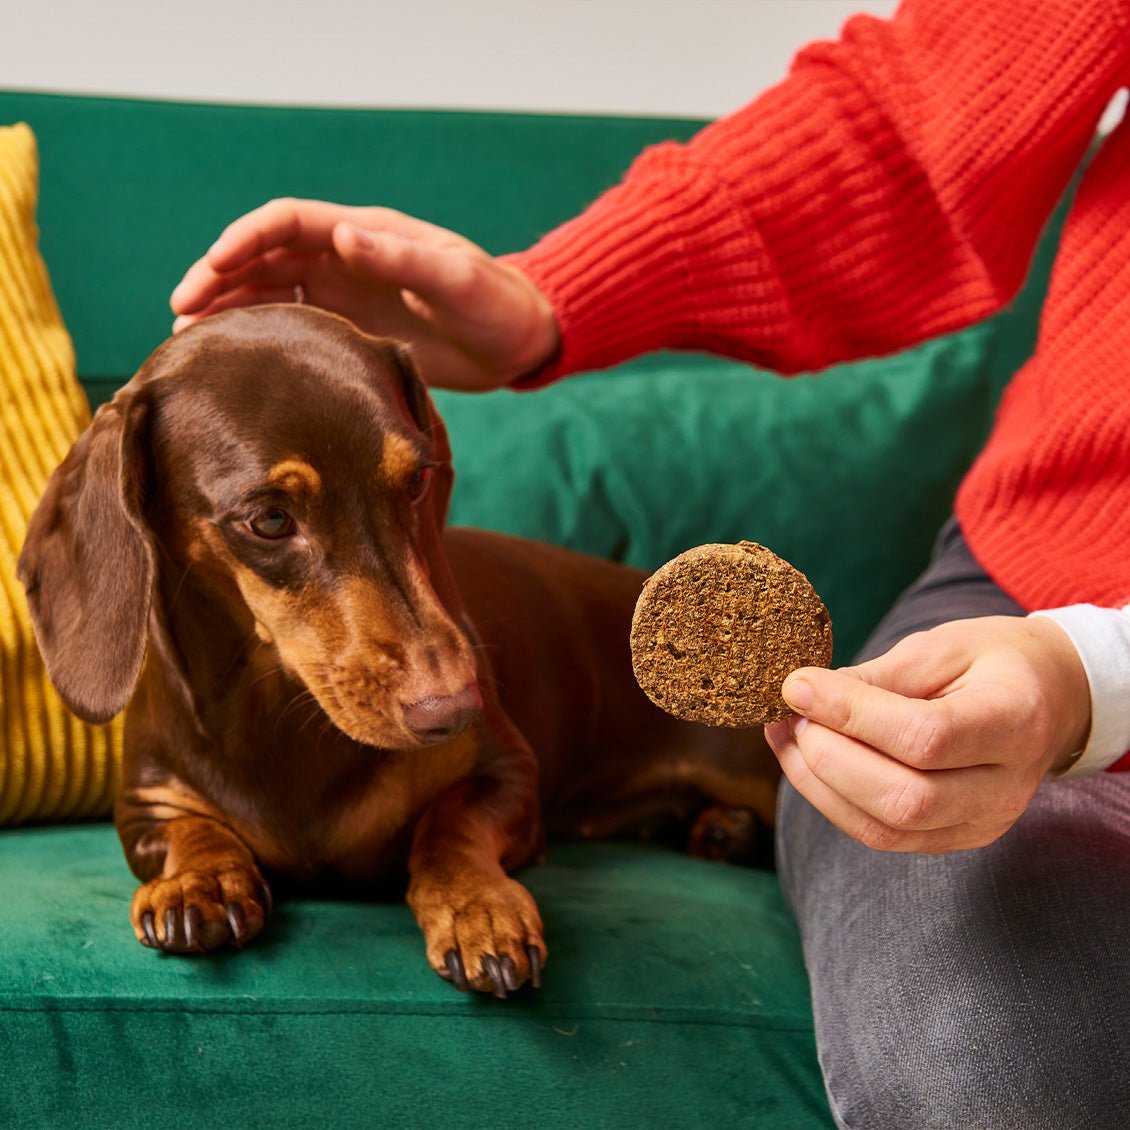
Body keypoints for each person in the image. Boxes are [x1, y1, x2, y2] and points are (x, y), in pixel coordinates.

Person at [170, 0, 1130, 1125]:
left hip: (1076, 653)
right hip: (1038, 575)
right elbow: (919, 120)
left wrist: (1096, 673)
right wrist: (545, 300)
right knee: (991, 1063)